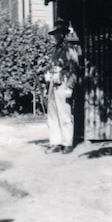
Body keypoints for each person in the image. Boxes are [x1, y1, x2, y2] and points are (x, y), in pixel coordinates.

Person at [44, 19, 79, 154]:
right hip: (53, 84)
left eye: (59, 33)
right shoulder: (54, 50)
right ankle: (56, 142)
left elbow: (74, 69)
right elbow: (51, 66)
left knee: (65, 115)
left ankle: (67, 143)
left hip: (64, 84)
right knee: (52, 115)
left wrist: (70, 86)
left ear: (64, 34)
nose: (57, 36)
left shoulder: (70, 49)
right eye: (55, 33)